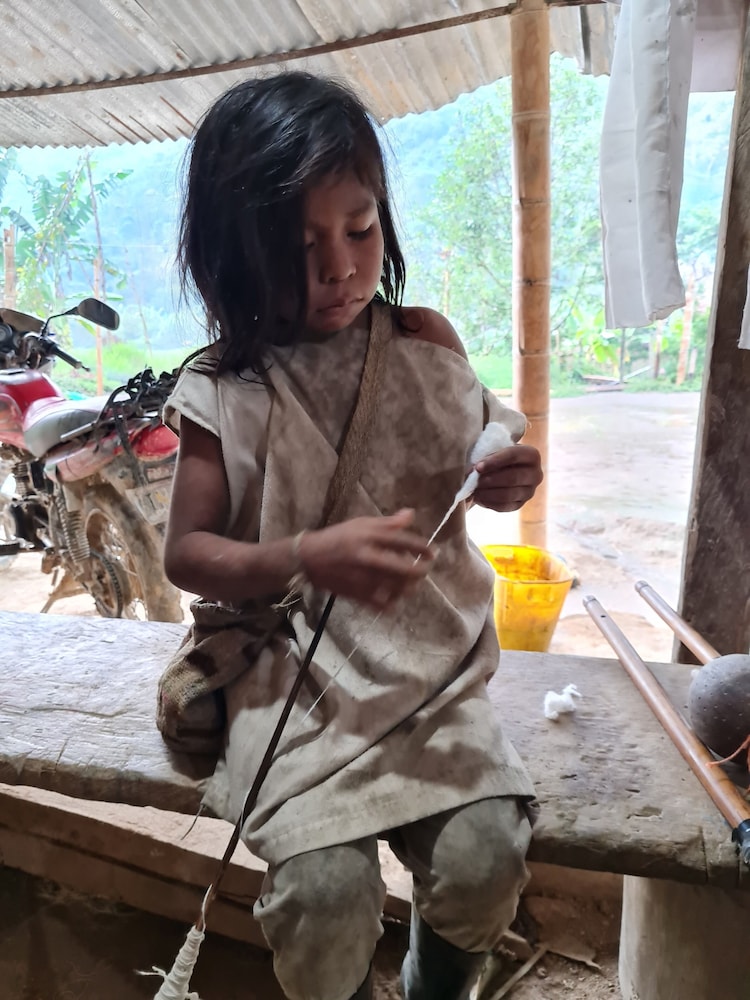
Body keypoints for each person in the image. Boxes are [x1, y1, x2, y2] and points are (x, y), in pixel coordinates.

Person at [161, 70, 543, 1000]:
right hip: (294, 675)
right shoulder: (224, 391)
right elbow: (188, 555)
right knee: (323, 900)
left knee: (487, 860)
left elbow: (477, 458)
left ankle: (435, 986)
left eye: (360, 229)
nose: (338, 267)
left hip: (430, 668)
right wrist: (302, 556)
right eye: (300, 246)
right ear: (233, 253)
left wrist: (506, 480)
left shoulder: (424, 341)